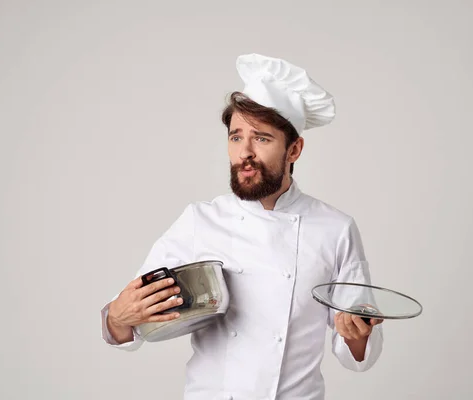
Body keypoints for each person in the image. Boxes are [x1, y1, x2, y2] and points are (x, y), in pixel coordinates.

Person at [100, 53, 384, 400]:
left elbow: (356, 351)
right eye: (236, 137)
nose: (244, 152)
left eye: (261, 138)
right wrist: (118, 317)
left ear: (294, 149)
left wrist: (356, 334)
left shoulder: (335, 229)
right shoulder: (200, 220)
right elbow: (131, 320)